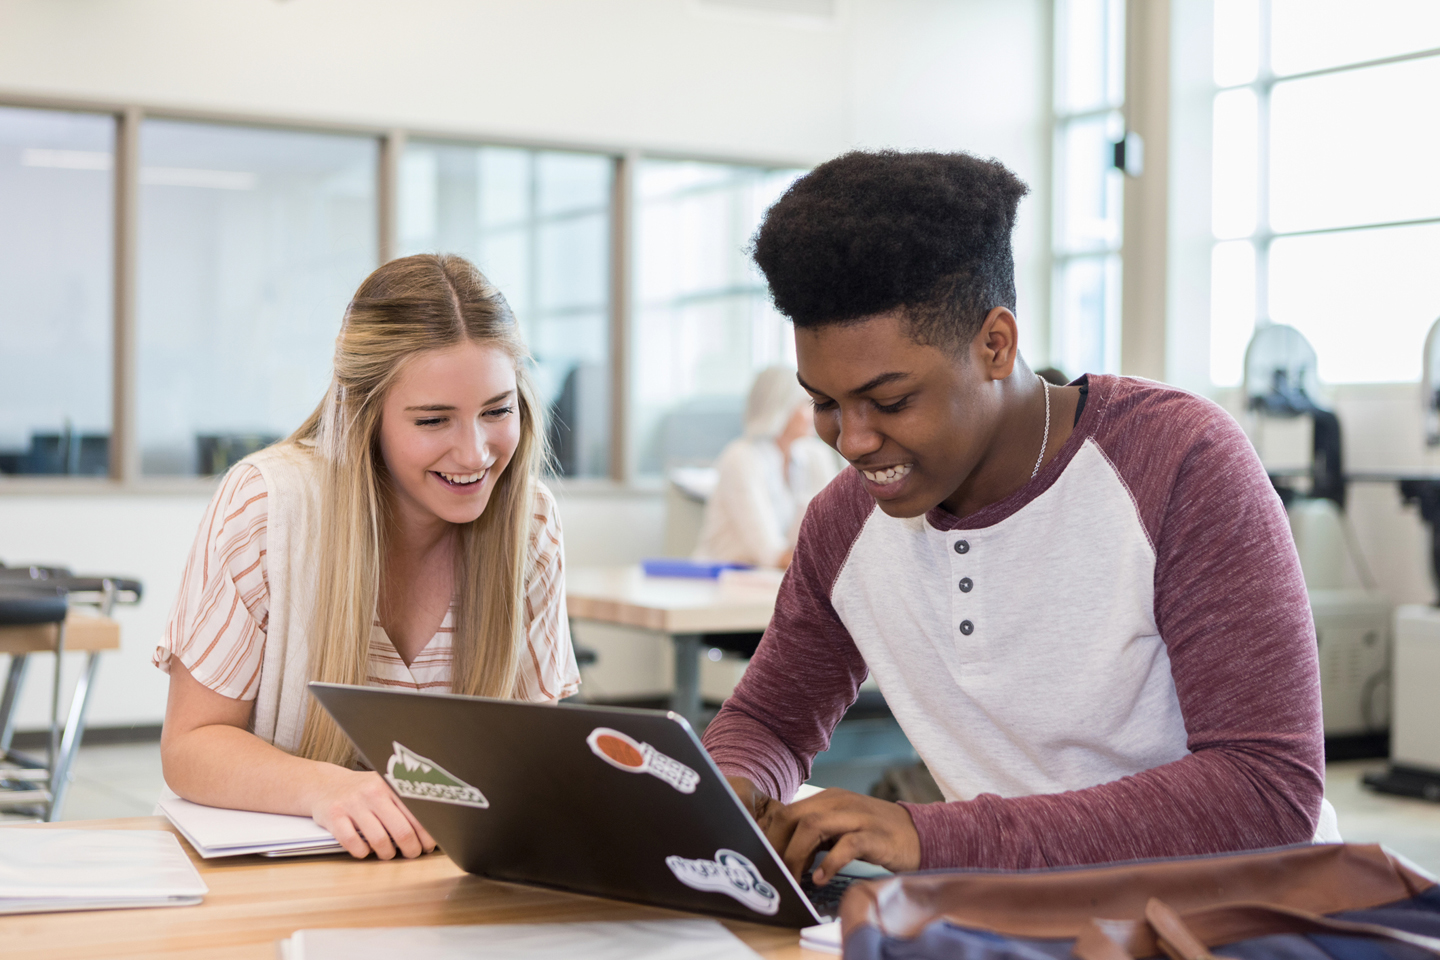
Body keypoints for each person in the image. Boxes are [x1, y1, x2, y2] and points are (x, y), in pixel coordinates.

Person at [701, 151, 1337, 886]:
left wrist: (932, 837)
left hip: (1245, 919)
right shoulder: (843, 523)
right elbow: (769, 724)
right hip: (1016, 920)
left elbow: (1268, 791)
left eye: (892, 400)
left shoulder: (1180, 462)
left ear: (994, 345)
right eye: (824, 403)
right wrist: (731, 795)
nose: (854, 440)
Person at [155, 254, 578, 860]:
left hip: (438, 886)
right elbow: (190, 745)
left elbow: (530, 756)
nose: (475, 453)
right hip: (273, 881)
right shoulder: (269, 506)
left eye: (497, 410)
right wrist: (325, 788)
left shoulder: (529, 523)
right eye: (434, 419)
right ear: (362, 413)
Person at [693, 365, 843, 570]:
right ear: (781, 407)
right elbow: (770, 552)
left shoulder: (814, 455)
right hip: (724, 580)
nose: (814, 412)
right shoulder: (740, 458)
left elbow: (830, 532)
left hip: (774, 578)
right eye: (805, 403)